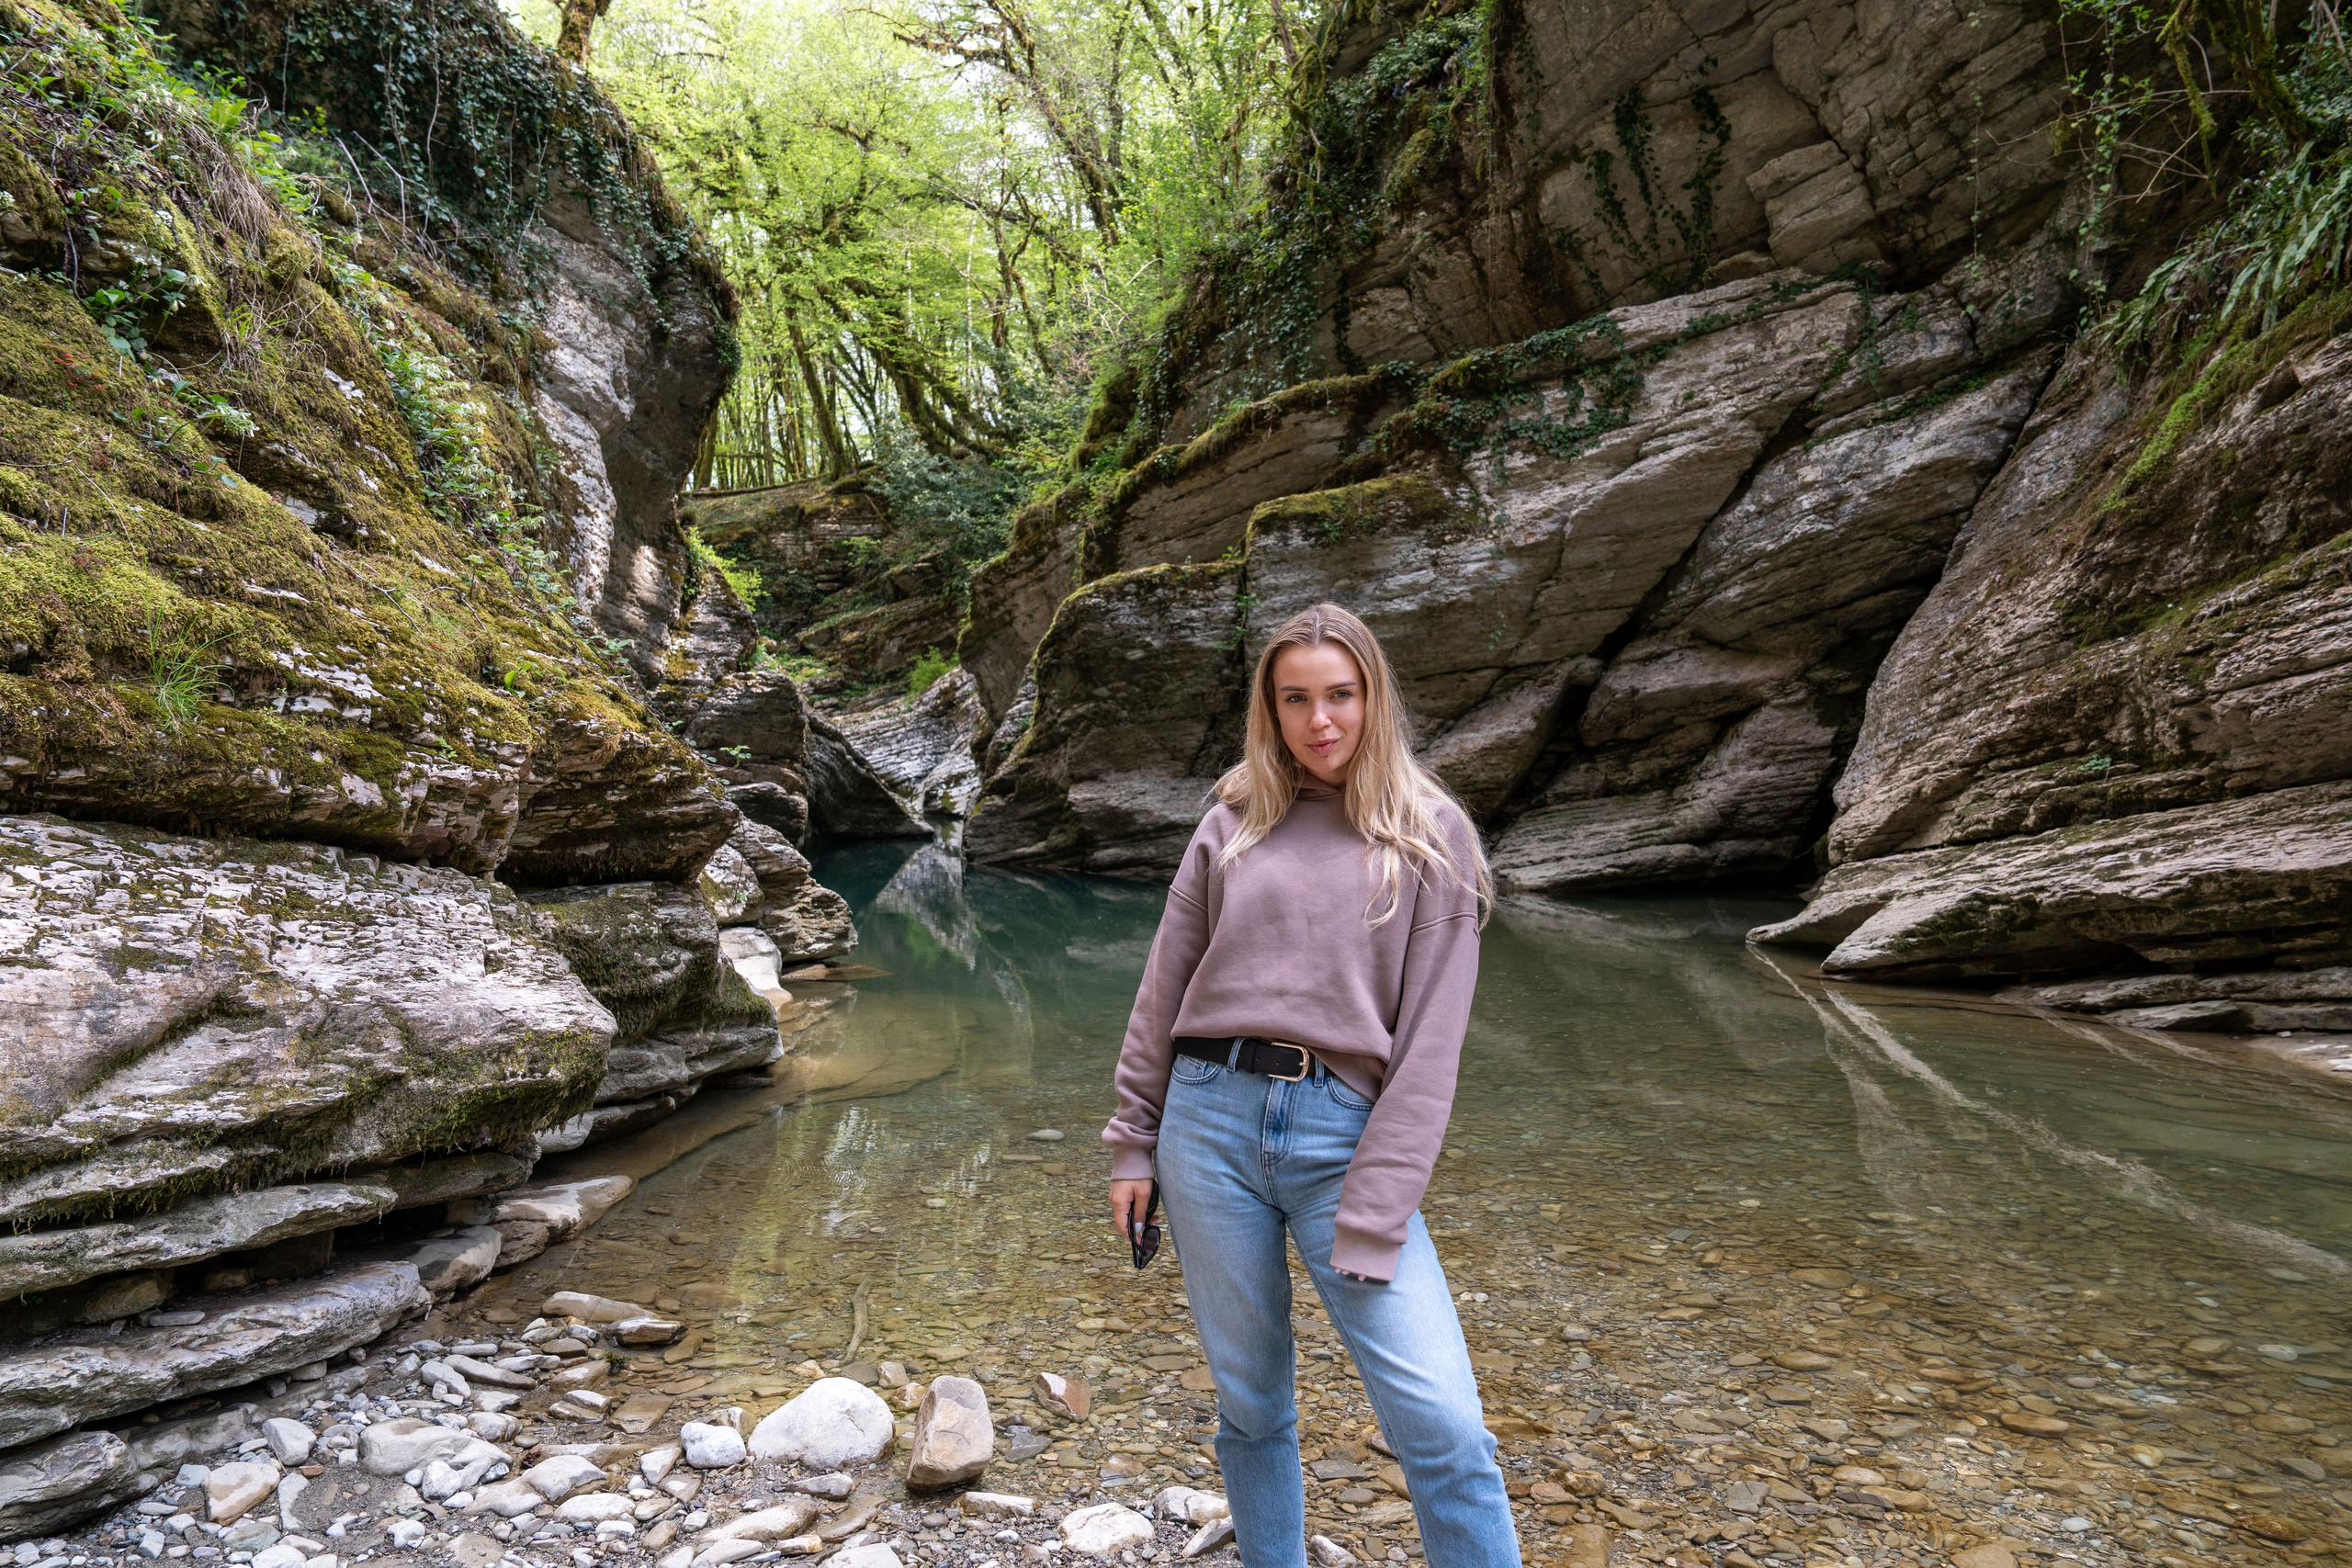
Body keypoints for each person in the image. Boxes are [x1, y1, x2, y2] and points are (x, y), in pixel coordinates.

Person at [1102, 602, 1518, 1568]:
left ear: (1374, 698)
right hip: (1203, 1126)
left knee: (1445, 1427)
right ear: (1270, 709)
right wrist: (1132, 1140)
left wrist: (1378, 1206)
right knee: (1251, 1406)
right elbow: (1161, 989)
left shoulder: (1431, 836)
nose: (1319, 721)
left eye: (1340, 695)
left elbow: (1430, 1048)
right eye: (1295, 700)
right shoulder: (1232, 819)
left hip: (1344, 1137)